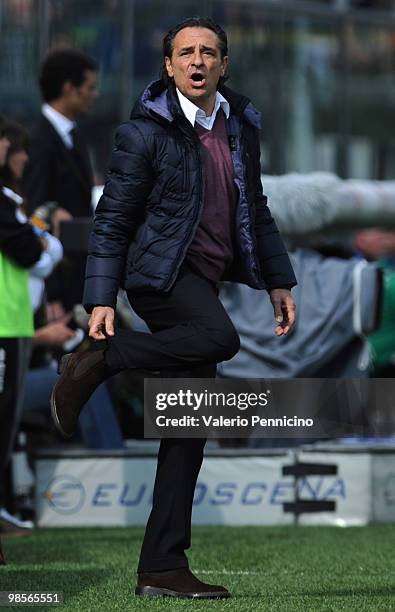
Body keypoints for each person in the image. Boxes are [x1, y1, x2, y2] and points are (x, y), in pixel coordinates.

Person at [51, 17, 297, 599]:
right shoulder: (144, 134)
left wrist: (279, 280)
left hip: (205, 279)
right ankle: (103, 359)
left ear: (223, 64)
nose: (197, 61)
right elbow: (111, 221)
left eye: (208, 52)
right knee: (221, 337)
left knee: (190, 427)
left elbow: (254, 210)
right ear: (168, 65)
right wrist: (100, 300)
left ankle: (162, 567)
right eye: (185, 52)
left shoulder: (241, 127)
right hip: (160, 277)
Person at [23, 48, 98, 311]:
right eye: (89, 87)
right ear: (69, 88)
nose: (94, 95)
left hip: (80, 275)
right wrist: (51, 291)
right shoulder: (39, 142)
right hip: (57, 281)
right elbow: (36, 213)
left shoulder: (75, 136)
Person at [0, 116, 43, 535]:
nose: (24, 157)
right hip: (5, 324)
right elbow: (32, 252)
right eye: (16, 147)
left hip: (13, 321)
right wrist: (43, 242)